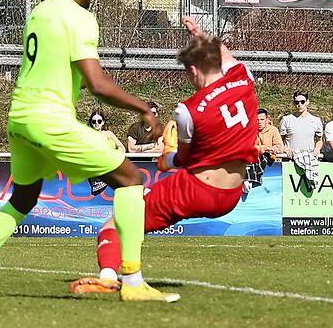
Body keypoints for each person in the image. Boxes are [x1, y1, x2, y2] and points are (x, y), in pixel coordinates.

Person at [0, 0, 173, 302]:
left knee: (22, 200)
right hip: (49, 119)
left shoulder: (40, 13)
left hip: (20, 118)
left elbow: (60, 74)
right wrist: (143, 107)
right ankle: (133, 281)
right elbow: (96, 83)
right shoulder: (80, 17)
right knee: (131, 179)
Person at [70, 16, 258, 295]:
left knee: (115, 223)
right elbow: (225, 53)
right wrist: (201, 35)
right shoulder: (244, 79)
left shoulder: (189, 109)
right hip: (231, 194)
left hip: (197, 189)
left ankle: (108, 276)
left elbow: (181, 160)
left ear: (193, 70)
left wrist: (164, 160)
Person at [86, 109, 126, 196]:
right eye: (94, 121)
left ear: (103, 122)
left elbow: (122, 148)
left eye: (99, 121)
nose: (96, 123)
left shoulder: (108, 134)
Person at [278, 91, 323, 156]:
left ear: (307, 102)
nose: (299, 104)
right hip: (290, 158)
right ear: (294, 103)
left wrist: (317, 149)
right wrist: (285, 149)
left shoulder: (316, 120)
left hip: (309, 158)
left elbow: (319, 140)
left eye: (302, 102)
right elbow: (279, 140)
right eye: (297, 102)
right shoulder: (286, 120)